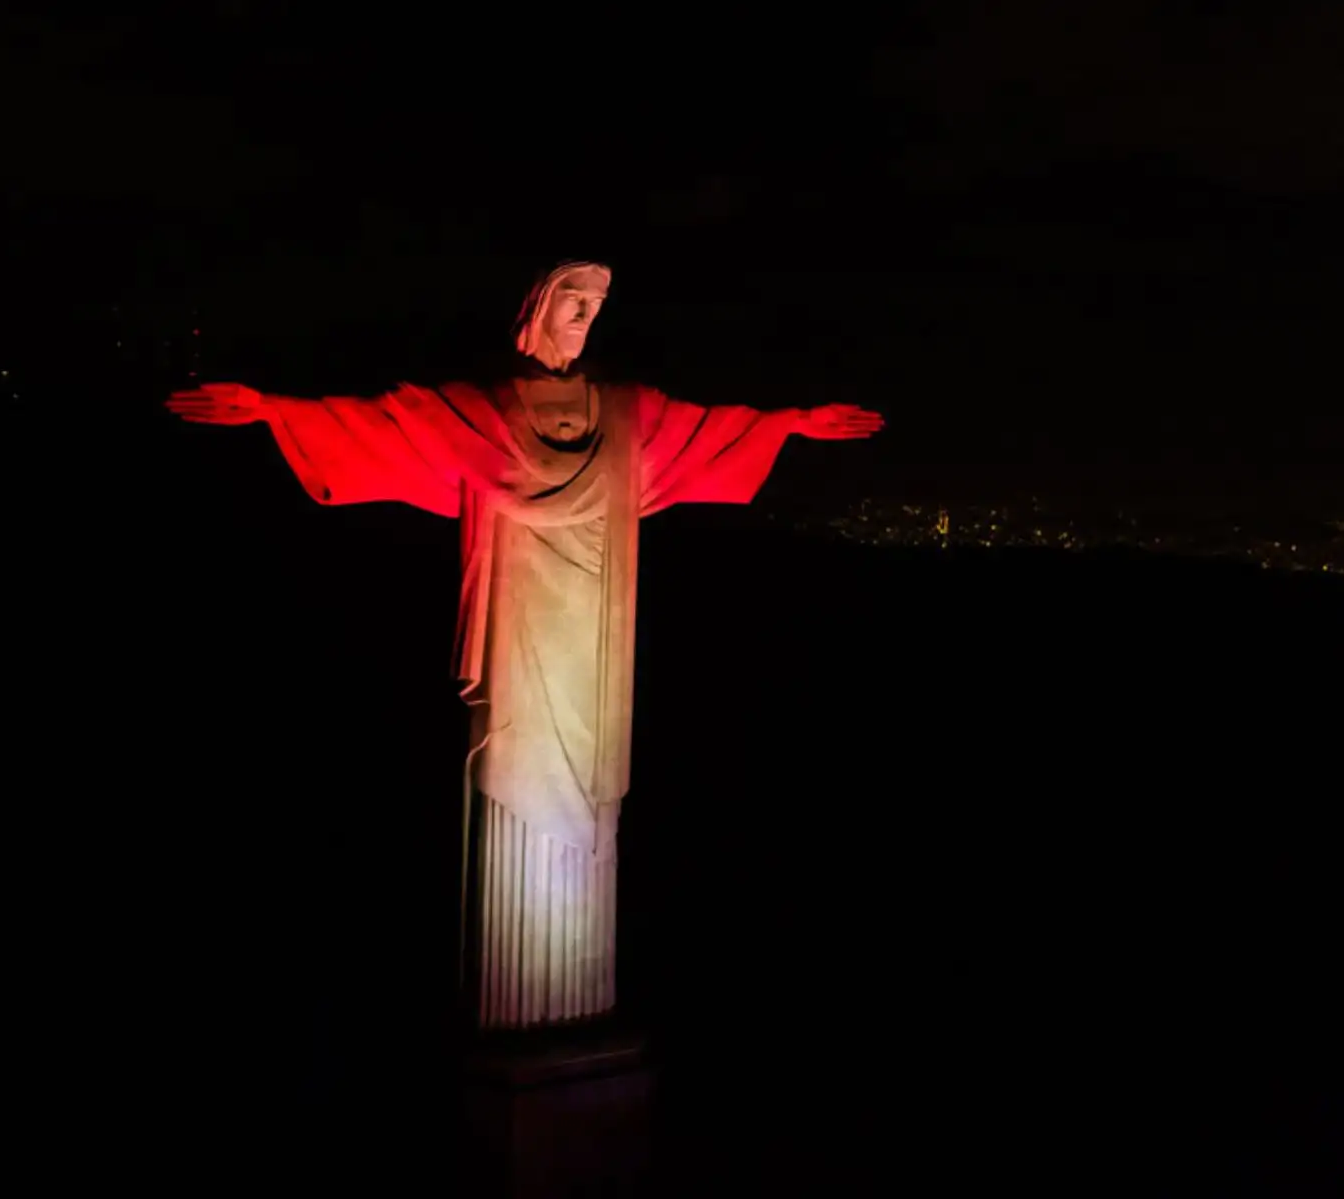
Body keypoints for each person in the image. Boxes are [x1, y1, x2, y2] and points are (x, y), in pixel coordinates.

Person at [169, 261, 882, 1029]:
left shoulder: (627, 411)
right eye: (573, 298)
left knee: (588, 821)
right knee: (517, 796)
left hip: (596, 652)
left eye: (598, 304)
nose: (586, 314)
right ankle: (515, 1026)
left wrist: (791, 424)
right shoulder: (487, 407)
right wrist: (276, 410)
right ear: (537, 307)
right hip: (518, 639)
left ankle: (574, 1021)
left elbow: (712, 429)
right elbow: (383, 421)